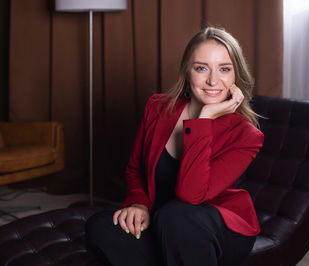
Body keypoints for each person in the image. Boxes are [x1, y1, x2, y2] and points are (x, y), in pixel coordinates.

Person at [85, 27, 264, 266]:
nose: (212, 80)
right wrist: (139, 204)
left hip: (219, 228)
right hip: (161, 222)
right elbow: (135, 168)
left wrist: (203, 121)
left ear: (236, 76)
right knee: (101, 226)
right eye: (201, 68)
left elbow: (190, 196)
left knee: (176, 216)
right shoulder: (158, 108)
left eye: (224, 69)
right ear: (187, 72)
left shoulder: (246, 135)